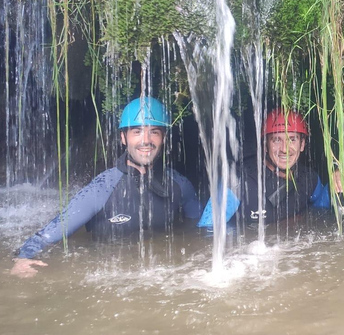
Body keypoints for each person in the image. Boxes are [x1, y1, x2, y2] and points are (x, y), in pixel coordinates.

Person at [11, 97, 203, 278]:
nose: (146, 140)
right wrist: (23, 258)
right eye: (137, 132)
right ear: (123, 138)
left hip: (163, 276)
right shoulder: (101, 189)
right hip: (111, 275)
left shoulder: (180, 185)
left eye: (154, 131)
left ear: (163, 138)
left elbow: (201, 230)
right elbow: (45, 237)